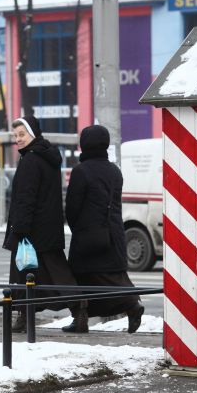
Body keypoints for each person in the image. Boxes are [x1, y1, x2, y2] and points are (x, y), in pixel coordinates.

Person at [3, 115, 87, 333]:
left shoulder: (31, 159)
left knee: (25, 274)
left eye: (22, 134)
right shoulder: (45, 156)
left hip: (31, 231)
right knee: (55, 274)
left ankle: (25, 318)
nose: (18, 139)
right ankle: (78, 313)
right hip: (47, 229)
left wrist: (19, 228)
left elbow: (26, 197)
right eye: (16, 136)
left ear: (33, 134)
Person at [63, 125, 144, 333]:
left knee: (78, 277)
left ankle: (80, 319)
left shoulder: (81, 171)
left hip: (88, 235)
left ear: (85, 144)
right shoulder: (114, 171)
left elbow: (72, 207)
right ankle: (131, 304)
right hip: (114, 234)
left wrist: (78, 228)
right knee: (113, 276)